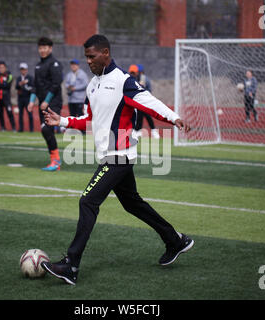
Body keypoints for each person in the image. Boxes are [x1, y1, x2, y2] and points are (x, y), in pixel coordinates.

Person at [41, 34, 194, 285]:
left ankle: (71, 265)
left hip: (119, 155)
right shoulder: (92, 85)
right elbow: (90, 120)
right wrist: (64, 121)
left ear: (106, 53)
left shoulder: (123, 81)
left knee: (88, 201)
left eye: (92, 56)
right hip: (109, 155)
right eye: (86, 57)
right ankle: (175, 240)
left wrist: (174, 117)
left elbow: (149, 102)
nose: (88, 61)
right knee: (132, 203)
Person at [28, 37, 63, 171]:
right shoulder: (38, 65)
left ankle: (56, 162)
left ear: (50, 48)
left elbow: (56, 84)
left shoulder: (54, 64)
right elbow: (35, 86)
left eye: (45, 47)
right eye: (40, 48)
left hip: (53, 102)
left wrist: (47, 100)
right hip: (42, 103)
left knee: (46, 129)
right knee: (45, 131)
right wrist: (31, 101)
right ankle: (55, 160)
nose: (42, 50)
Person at [131, 64, 159, 139]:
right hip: (138, 100)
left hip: (145, 99)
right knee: (140, 114)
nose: (139, 73)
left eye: (139, 72)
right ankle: (139, 131)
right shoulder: (133, 78)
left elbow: (146, 89)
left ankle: (143, 130)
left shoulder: (144, 78)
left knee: (146, 114)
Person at [0, 62, 15, 132]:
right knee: (0, 113)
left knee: (9, 112)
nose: (1, 69)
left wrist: (0, 84)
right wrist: (2, 84)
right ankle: (2, 127)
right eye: (0, 67)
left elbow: (7, 85)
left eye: (2, 67)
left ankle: (13, 128)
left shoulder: (9, 76)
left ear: (5, 68)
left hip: (6, 98)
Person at [15, 62, 34, 132]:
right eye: (21, 69)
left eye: (24, 69)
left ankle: (31, 129)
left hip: (28, 98)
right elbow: (16, 87)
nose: (23, 71)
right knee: (20, 114)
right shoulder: (19, 78)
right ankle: (21, 128)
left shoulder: (30, 78)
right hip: (20, 98)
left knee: (30, 114)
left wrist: (26, 85)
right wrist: (21, 84)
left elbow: (32, 87)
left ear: (26, 70)